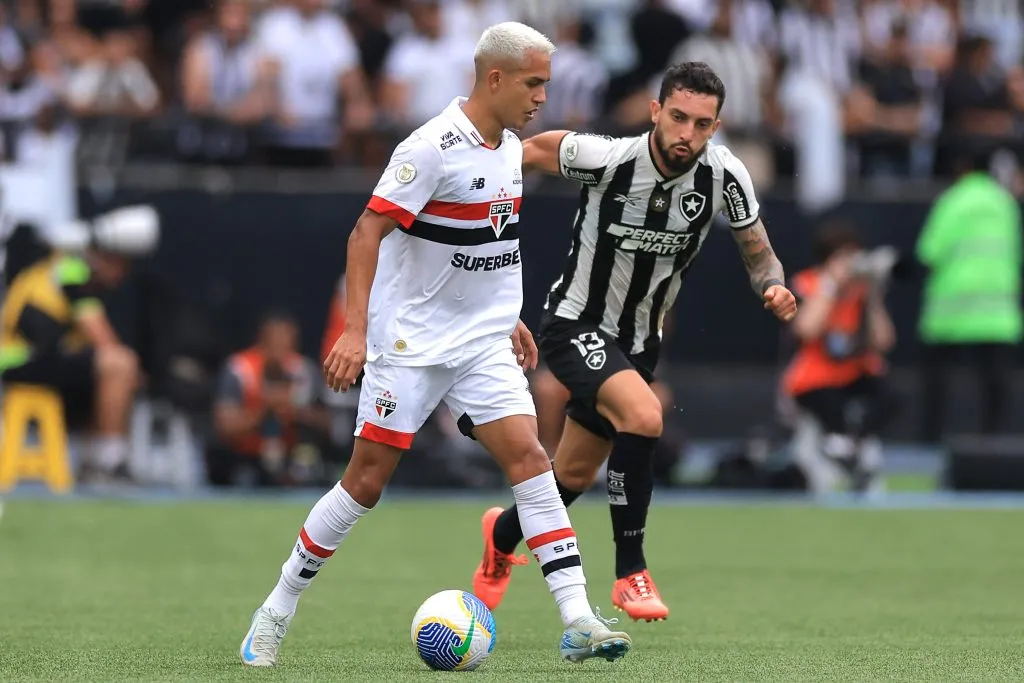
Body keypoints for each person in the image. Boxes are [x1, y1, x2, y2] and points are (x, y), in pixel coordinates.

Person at [239, 22, 632, 668]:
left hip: (480, 343)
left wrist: (504, 316)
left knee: (533, 460)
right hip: (409, 344)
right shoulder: (429, 148)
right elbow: (366, 235)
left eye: (547, 85)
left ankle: (579, 618)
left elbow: (486, 243)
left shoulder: (507, 146)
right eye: (534, 84)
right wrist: (357, 331)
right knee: (365, 483)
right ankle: (276, 606)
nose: (542, 97)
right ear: (495, 78)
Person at [472, 62, 797, 623]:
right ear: (655, 112)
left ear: (715, 127)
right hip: (573, 325)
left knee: (571, 476)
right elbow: (533, 150)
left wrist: (773, 285)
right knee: (645, 416)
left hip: (639, 344)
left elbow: (757, 249)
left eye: (701, 123)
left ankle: (501, 538)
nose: (686, 134)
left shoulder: (724, 176)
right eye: (677, 118)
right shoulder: (610, 159)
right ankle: (630, 573)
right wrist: (466, 167)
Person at [0, 206, 159, 482]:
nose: (122, 277)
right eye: (123, 266)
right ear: (109, 259)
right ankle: (109, 463)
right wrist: (127, 371)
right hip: (18, 360)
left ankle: (94, 460)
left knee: (107, 370)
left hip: (44, 359)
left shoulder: (64, 268)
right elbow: (101, 337)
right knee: (119, 364)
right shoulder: (70, 268)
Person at [782, 221, 897, 494]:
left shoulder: (860, 291)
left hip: (853, 372)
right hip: (814, 377)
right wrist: (830, 286)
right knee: (827, 403)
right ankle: (839, 451)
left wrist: (873, 297)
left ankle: (853, 446)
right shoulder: (806, 283)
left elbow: (884, 342)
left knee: (888, 397)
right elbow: (806, 330)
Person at [916, 152, 1022, 442]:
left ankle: (930, 444)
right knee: (995, 388)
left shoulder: (952, 201)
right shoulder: (1006, 204)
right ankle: (993, 447)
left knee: (938, 387)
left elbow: (929, 253)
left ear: (962, 167)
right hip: (998, 314)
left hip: (951, 311)